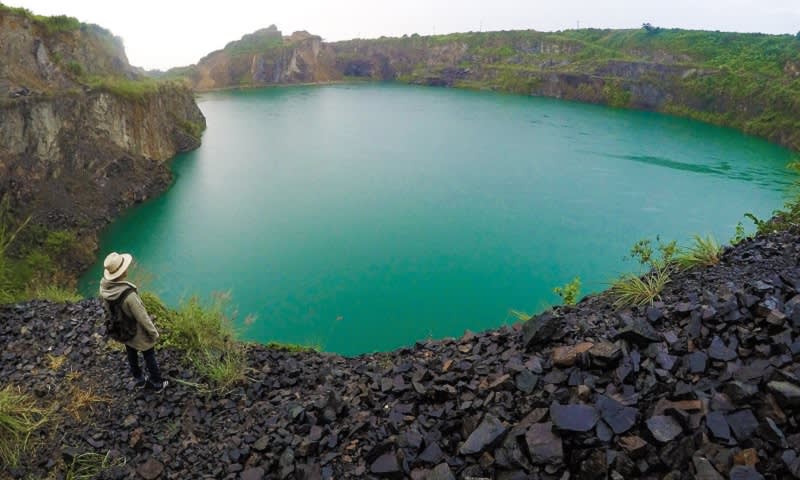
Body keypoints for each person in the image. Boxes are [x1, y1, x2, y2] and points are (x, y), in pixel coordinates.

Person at [99, 252, 168, 391]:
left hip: (122, 329)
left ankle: (139, 379)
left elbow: (107, 309)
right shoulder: (129, 295)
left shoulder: (104, 289)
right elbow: (142, 317)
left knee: (131, 352)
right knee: (149, 354)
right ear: (121, 272)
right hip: (136, 331)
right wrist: (154, 333)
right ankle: (157, 383)